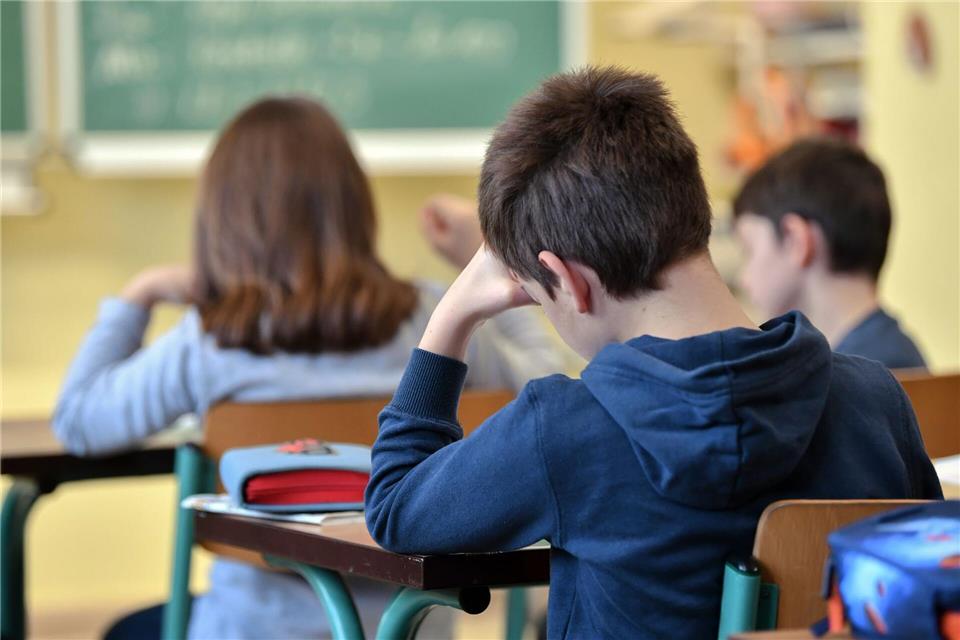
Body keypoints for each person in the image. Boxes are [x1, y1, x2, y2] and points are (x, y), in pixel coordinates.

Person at [364, 67, 942, 639]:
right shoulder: (877, 402)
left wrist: (453, 313)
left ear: (569, 282)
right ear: (694, 210)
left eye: (540, 298)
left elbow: (393, 507)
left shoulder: (563, 429)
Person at [52, 96, 564, 639]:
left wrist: (140, 295)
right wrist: (482, 260)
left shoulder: (210, 341)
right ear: (353, 205)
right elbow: (543, 388)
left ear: (222, 219)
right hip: (406, 629)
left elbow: (78, 420)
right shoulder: (434, 320)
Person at [732, 137, 927, 370]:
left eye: (749, 250)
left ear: (796, 240)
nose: (743, 279)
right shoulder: (887, 353)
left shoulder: (862, 376)